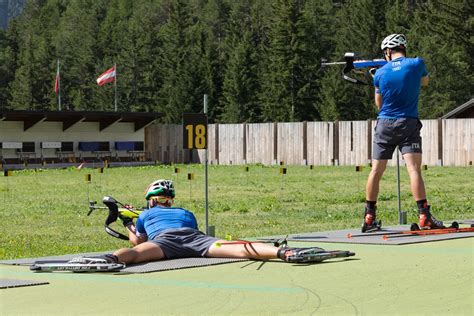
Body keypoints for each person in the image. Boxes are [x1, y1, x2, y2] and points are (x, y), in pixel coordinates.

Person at [70, 179, 350, 265]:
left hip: (164, 243)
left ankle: (107, 260)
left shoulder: (145, 215)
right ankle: (285, 252)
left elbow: (137, 242)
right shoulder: (185, 212)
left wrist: (127, 223)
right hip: (196, 238)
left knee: (133, 256)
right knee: (241, 247)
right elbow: (189, 228)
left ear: (151, 200)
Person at [363, 33, 444, 232]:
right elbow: (424, 83)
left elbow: (379, 104)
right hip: (408, 122)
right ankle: (424, 215)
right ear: (403, 48)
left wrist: (377, 78)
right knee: (413, 170)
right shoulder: (416, 64)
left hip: (385, 124)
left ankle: (369, 216)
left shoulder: (380, 73)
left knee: (376, 171)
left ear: (388, 51)